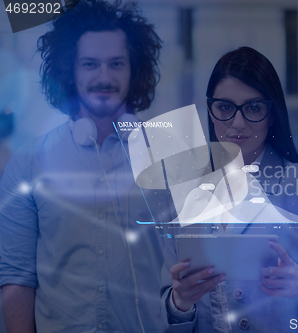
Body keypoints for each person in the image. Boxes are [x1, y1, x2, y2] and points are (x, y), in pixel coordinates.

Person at [160, 47, 298, 332]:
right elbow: (165, 309)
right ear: (210, 110)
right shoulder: (183, 192)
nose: (237, 123)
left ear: (271, 114)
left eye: (253, 108)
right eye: (225, 107)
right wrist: (180, 302)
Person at [0, 1, 167, 332]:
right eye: (90, 64)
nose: (103, 77)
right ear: (70, 70)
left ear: (134, 69)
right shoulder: (28, 162)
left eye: (116, 64)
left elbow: (197, 265)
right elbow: (17, 277)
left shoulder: (168, 155)